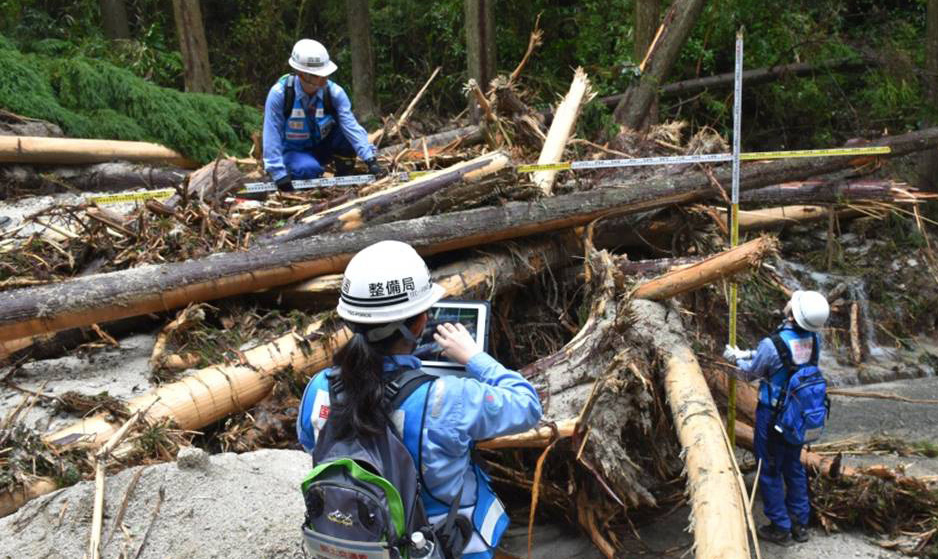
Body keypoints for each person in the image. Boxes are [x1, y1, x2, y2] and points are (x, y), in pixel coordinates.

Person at [296, 240, 543, 559]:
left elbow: (309, 442)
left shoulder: (319, 386)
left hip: (361, 536)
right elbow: (527, 405)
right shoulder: (448, 396)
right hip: (440, 545)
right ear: (421, 321)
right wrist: (475, 358)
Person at [723, 289, 830, 546]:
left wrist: (733, 360)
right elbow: (789, 359)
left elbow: (751, 374)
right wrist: (748, 353)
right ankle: (799, 523)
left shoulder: (773, 343)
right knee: (793, 466)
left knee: (769, 468)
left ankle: (780, 527)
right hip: (799, 415)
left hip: (773, 415)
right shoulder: (815, 340)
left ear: (794, 313)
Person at [263, 39, 386, 191]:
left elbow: (351, 126)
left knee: (345, 135)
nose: (323, 80)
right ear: (301, 74)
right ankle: (298, 171)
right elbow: (271, 134)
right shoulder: (280, 94)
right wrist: (278, 174)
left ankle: (344, 178)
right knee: (308, 170)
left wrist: (370, 159)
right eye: (317, 76)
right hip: (292, 151)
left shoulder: (334, 93)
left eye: (325, 75)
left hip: (322, 146)